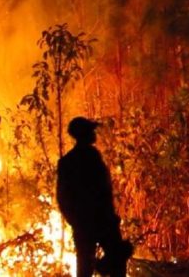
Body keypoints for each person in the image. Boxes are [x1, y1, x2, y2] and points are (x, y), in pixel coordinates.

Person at [57, 117, 133, 277]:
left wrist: (76, 222)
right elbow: (103, 192)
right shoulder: (92, 158)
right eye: (91, 131)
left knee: (85, 266)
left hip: (85, 224)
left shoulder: (67, 162)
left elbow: (62, 198)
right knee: (117, 262)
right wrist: (109, 218)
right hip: (102, 221)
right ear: (84, 134)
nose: (94, 134)